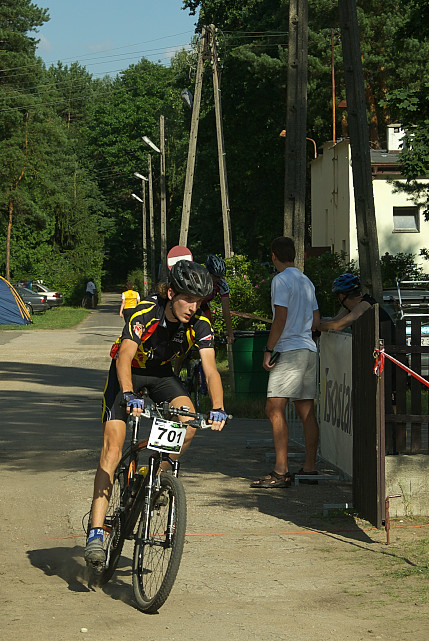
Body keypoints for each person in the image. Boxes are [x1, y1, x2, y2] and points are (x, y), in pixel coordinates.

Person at [85, 260, 229, 566]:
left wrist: (218, 408)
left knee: (189, 423)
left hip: (161, 376)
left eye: (199, 301)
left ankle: (156, 475)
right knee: (112, 449)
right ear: (172, 293)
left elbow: (210, 368)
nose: (193, 306)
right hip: (128, 375)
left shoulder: (201, 323)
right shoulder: (144, 313)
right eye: (188, 298)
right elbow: (124, 357)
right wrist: (127, 395)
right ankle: (96, 531)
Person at [251, 237, 320, 489]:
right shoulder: (306, 280)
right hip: (308, 349)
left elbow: (280, 318)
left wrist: (269, 349)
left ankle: (281, 471)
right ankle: (310, 468)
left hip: (289, 350)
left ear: (273, 256)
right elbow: (315, 319)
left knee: (274, 408)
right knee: (306, 410)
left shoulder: (280, 280)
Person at [318, 273, 394, 332]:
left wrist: (316, 327)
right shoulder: (352, 307)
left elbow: (338, 326)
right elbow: (334, 320)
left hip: (387, 349)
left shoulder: (365, 305)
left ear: (341, 296)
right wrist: (312, 323)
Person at [201, 254, 235, 344]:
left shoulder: (222, 285)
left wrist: (230, 334)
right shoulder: (200, 280)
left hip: (204, 305)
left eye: (220, 276)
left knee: (208, 328)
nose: (218, 279)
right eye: (215, 276)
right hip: (193, 303)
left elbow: (226, 311)